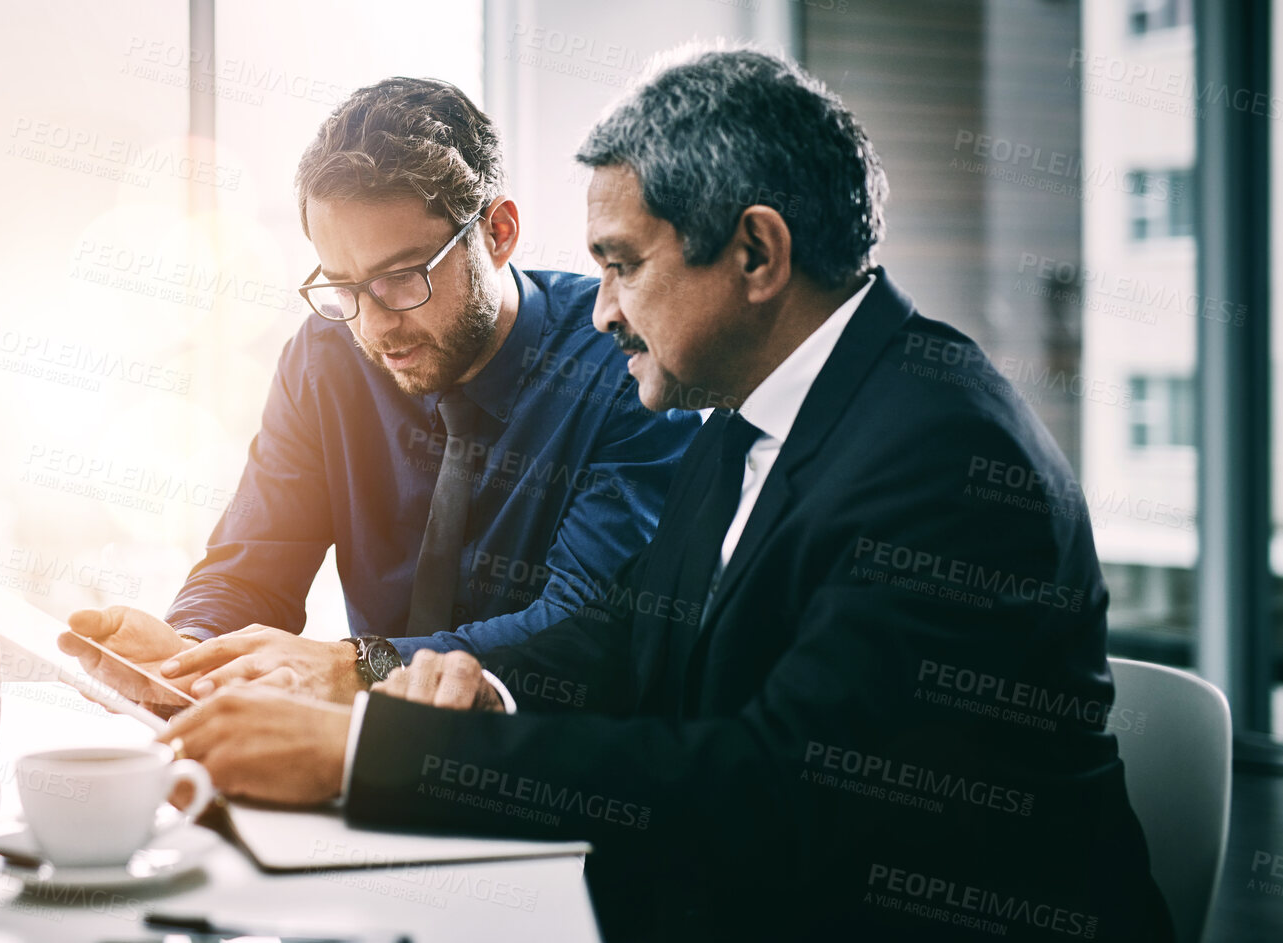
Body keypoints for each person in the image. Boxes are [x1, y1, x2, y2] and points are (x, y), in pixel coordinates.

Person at [157, 46, 1173, 942]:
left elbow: (774, 794)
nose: (597, 311)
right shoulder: (749, 417)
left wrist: (373, 754)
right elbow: (624, 641)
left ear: (757, 255)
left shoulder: (943, 457)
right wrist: (471, 690)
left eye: (623, 266)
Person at [59, 78, 698, 710]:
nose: (373, 325)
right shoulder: (325, 356)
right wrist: (186, 651)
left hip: (539, 773)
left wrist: (361, 667)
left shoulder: (626, 362)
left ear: (498, 233)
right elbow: (251, 567)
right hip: (355, 764)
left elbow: (584, 629)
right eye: (343, 286)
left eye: (401, 277)